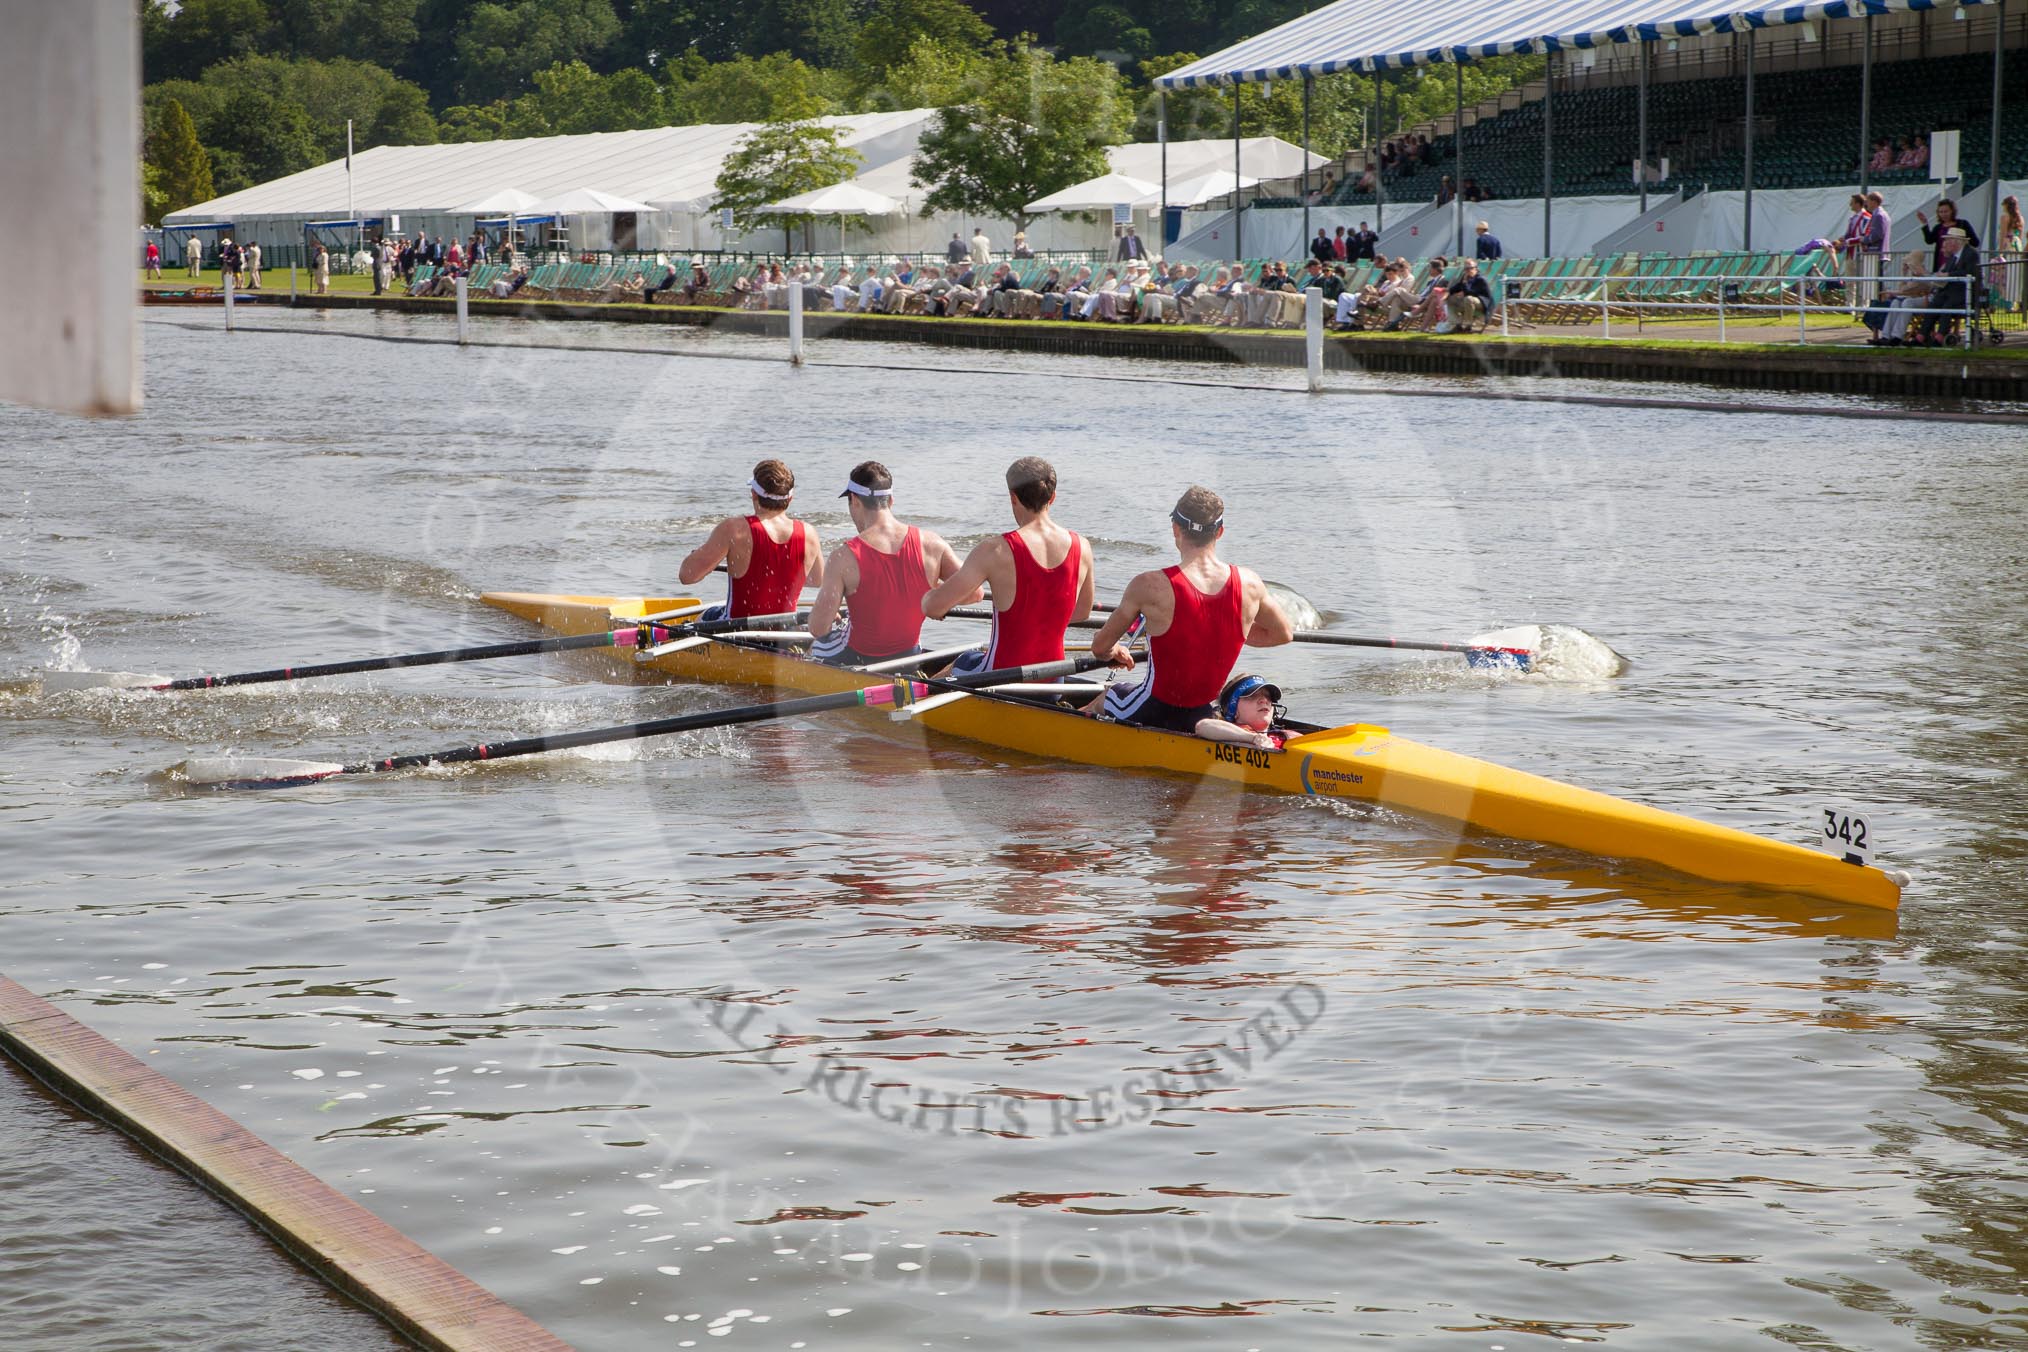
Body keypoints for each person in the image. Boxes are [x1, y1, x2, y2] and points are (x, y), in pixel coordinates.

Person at [1084, 486, 1292, 734]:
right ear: (1220, 532)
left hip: (1151, 708)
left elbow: (1099, 648)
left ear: (1175, 528)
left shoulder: (1149, 585)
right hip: (1203, 714)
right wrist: (1227, 635)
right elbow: (1283, 634)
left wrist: (1114, 650)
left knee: (1108, 695)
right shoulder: (1250, 584)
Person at [923, 457, 1093, 674]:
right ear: (1053, 497)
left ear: (1013, 497)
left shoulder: (995, 550)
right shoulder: (1083, 547)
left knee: (963, 661)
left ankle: (919, 704)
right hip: (1053, 680)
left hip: (998, 678)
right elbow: (1081, 612)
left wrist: (929, 595)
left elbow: (932, 608)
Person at [808, 462, 969, 667]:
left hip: (857, 657)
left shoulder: (842, 557)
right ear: (891, 500)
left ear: (855, 501)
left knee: (814, 644)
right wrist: (934, 596)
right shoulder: (933, 544)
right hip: (910, 657)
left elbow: (819, 627)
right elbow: (975, 594)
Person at [678, 459, 824, 621]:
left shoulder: (734, 529)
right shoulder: (809, 533)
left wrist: (704, 559)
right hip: (784, 633)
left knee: (702, 617)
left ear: (753, 494)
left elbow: (687, 576)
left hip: (736, 631)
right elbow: (816, 580)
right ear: (790, 499)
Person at [1912, 226, 1979, 346]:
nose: (1945, 243)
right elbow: (1946, 273)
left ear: (1956, 241)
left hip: (1965, 292)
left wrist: (1948, 274)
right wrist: (1940, 276)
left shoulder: (1971, 254)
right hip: (1950, 291)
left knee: (1947, 306)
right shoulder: (1953, 257)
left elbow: (1969, 272)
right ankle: (1920, 336)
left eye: (1948, 240)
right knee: (1934, 304)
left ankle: (1939, 337)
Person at [1195, 673, 1294, 751]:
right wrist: (1252, 738)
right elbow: (1202, 727)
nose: (1264, 700)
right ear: (1233, 710)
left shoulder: (1287, 735)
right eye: (1252, 696)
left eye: (1268, 696)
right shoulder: (1222, 732)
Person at [1916, 200, 1979, 271]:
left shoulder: (1963, 224)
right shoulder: (1938, 227)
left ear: (1952, 211)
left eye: (1946, 211)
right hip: (1941, 259)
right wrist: (1925, 224)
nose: (1943, 214)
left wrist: (1961, 241)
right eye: (1941, 212)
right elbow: (1929, 240)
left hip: (1958, 259)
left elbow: (1975, 242)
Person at [1439, 257, 1494, 333]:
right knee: (1450, 299)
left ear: (1476, 268)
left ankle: (1468, 325)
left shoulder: (1480, 279)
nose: (1468, 270)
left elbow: (1470, 292)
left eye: (1470, 268)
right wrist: (1445, 295)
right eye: (1466, 269)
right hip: (1469, 302)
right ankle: (1457, 323)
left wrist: (1465, 282)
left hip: (1482, 303)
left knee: (1468, 298)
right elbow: (1455, 288)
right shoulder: (1466, 278)